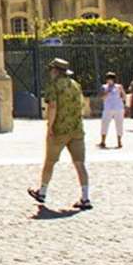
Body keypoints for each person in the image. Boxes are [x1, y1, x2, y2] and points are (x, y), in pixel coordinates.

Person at [29, 58, 91, 211]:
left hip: (59, 130)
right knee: (80, 163)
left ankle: (42, 192)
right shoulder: (76, 85)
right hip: (76, 130)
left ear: (55, 71)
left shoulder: (54, 86)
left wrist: (50, 126)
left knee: (50, 162)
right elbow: (81, 106)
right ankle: (85, 197)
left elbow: (53, 107)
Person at [97, 72, 126, 150]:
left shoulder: (119, 87)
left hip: (118, 108)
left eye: (111, 79)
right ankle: (103, 141)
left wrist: (121, 99)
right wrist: (108, 91)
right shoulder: (104, 87)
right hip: (108, 108)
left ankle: (119, 142)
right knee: (104, 125)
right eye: (108, 79)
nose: (109, 81)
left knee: (119, 125)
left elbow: (124, 96)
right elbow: (102, 97)